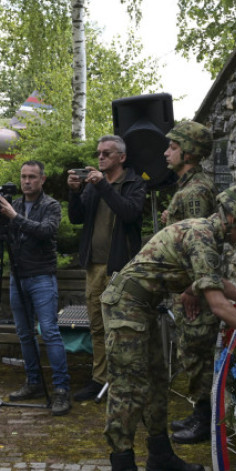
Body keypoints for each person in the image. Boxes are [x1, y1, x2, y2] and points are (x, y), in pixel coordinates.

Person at [103, 184, 236, 471]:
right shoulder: (204, 237)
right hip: (127, 307)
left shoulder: (205, 234)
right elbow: (218, 304)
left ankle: (159, 455)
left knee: (156, 381)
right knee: (129, 387)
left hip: (143, 307)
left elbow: (217, 282)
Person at [67, 135, 146, 401]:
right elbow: (76, 218)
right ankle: (99, 379)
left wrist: (103, 187)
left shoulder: (134, 183)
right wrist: (75, 192)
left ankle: (123, 381)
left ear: (121, 158)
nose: (100, 157)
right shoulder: (93, 184)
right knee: (97, 326)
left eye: (106, 154)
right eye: (98, 153)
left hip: (120, 267)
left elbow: (129, 213)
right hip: (94, 265)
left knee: (120, 327)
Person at [157, 121, 220, 445]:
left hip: (193, 289)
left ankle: (205, 419)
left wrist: (191, 290)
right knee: (191, 352)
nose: (167, 152)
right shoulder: (186, 186)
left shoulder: (195, 192)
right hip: (186, 286)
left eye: (172, 147)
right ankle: (200, 412)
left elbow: (200, 245)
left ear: (189, 152)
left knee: (197, 353)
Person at [0, 161, 71, 416]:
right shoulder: (13, 204)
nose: (26, 181)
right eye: (23, 176)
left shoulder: (51, 205)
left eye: (32, 177)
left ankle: (61, 390)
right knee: (24, 333)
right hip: (17, 276)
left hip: (41, 276)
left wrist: (14, 218)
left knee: (49, 332)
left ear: (42, 180)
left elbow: (46, 231)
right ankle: (34, 382)